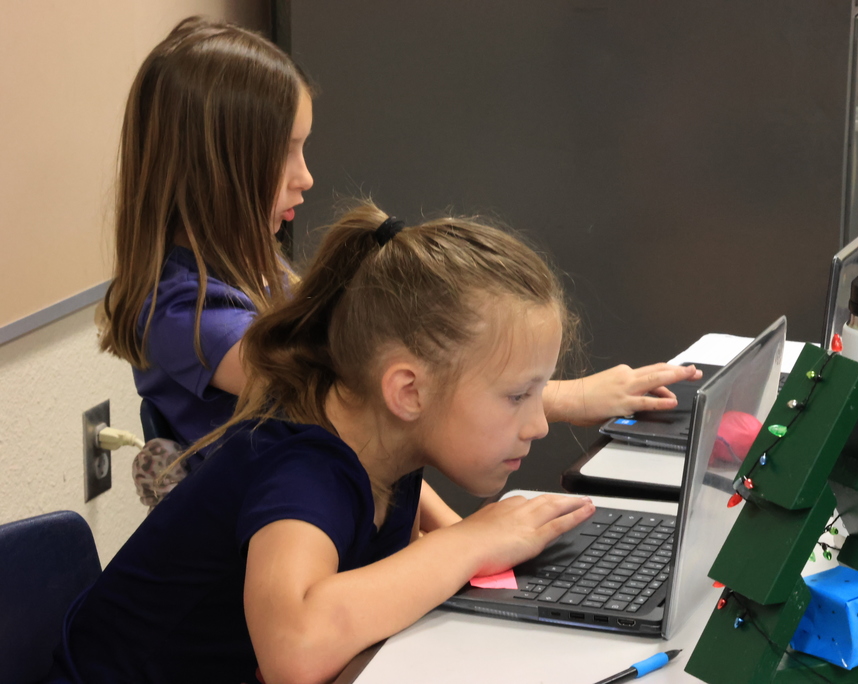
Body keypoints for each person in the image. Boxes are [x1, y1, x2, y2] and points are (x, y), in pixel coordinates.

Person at [98, 17, 701, 490]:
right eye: (286, 153)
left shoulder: (263, 271)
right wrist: (567, 398)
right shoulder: (178, 312)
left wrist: (466, 541)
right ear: (215, 168)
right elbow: (341, 381)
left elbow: (390, 453)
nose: (306, 177)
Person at [52, 205, 608, 684]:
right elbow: (293, 648)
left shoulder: (390, 449)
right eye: (518, 396)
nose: (538, 423)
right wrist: (471, 543)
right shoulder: (304, 469)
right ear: (408, 391)